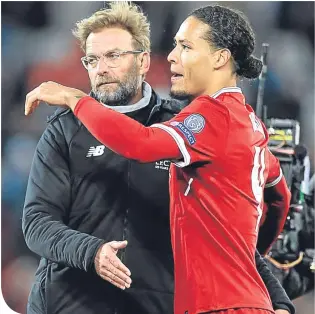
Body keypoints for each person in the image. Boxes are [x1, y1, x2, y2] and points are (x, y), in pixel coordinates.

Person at [23, 2, 293, 314]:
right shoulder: (64, 130)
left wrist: (276, 297)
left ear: (143, 61)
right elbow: (36, 224)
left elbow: (141, 144)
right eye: (92, 59)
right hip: (72, 304)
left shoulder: (189, 126)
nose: (101, 68)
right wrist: (91, 252)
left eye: (113, 56)